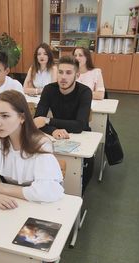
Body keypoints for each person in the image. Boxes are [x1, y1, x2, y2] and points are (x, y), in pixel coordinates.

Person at [0, 89, 64, 208]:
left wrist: (1, 187)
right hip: (12, 203)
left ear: (22, 118)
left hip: (36, 206)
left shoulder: (41, 144)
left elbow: (46, 192)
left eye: (5, 116)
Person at [34, 55, 94, 189]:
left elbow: (79, 125)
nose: (63, 77)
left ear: (77, 75)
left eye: (68, 73)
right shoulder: (49, 89)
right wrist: (53, 130)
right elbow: (37, 121)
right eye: (60, 72)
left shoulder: (85, 92)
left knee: (85, 169)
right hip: (56, 136)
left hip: (82, 138)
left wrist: (48, 121)